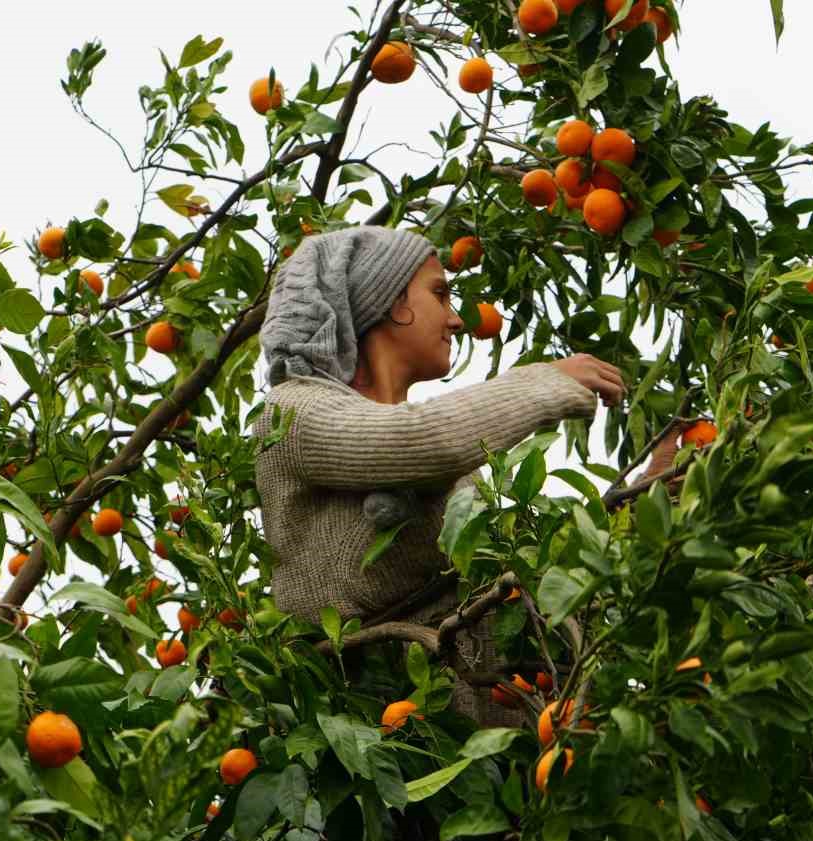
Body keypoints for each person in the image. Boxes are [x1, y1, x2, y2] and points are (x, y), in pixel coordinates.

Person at [254, 226, 680, 724]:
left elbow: (531, 579)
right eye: (439, 293)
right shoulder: (291, 415)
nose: (456, 320)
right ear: (390, 303)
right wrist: (547, 381)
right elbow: (417, 440)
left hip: (495, 760)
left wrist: (651, 497)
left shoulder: (456, 483)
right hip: (378, 756)